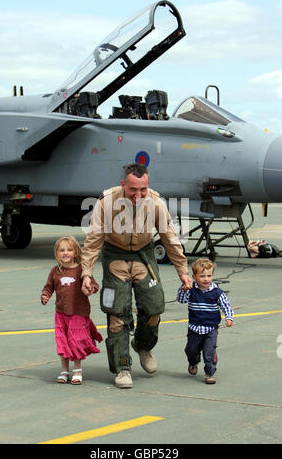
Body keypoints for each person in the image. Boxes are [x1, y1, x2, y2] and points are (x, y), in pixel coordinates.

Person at [81, 162, 192, 389]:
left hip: (144, 255)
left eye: (143, 189)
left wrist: (183, 271)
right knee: (116, 313)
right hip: (115, 256)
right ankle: (122, 367)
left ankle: (142, 345)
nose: (138, 195)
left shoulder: (156, 203)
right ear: (123, 185)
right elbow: (92, 242)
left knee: (154, 307)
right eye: (133, 190)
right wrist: (86, 273)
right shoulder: (106, 202)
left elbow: (170, 238)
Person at [41, 235, 103, 384]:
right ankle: (64, 370)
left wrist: (90, 289)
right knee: (63, 343)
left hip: (78, 313)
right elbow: (49, 287)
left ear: (76, 252)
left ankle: (77, 369)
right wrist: (45, 295)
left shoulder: (82, 270)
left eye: (69, 249)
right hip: (61, 313)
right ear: (57, 253)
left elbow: (94, 285)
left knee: (76, 341)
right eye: (62, 250)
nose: (65, 253)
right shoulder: (55, 271)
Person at [177, 258, 233, 384]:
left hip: (211, 328)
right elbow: (181, 300)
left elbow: (226, 305)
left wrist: (229, 317)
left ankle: (209, 373)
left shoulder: (217, 292)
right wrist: (184, 289)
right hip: (194, 328)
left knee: (209, 352)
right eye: (202, 276)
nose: (206, 279)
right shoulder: (191, 290)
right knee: (190, 350)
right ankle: (193, 362)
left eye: (209, 275)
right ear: (194, 277)